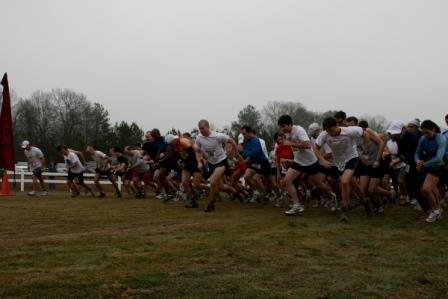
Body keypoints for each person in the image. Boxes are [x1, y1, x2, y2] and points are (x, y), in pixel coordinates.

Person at [277, 115, 336, 216]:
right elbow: (292, 147)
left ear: (290, 124)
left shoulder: (299, 130)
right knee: (287, 180)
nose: (282, 129)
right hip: (298, 162)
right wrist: (290, 159)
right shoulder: (286, 133)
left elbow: (307, 145)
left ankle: (332, 195)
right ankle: (297, 205)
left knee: (319, 184)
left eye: (283, 126)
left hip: (310, 162)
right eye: (280, 127)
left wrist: (291, 144)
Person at [315, 117, 372, 221]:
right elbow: (316, 148)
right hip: (339, 162)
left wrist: (365, 148)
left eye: (331, 130)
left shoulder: (349, 131)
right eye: (327, 131)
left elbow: (366, 134)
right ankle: (365, 201)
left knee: (344, 181)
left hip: (352, 158)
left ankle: (344, 209)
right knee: (353, 184)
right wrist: (322, 160)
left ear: (336, 126)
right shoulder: (324, 135)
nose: (330, 133)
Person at [195, 119, 242, 212]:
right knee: (220, 186)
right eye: (200, 129)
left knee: (212, 182)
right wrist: (199, 162)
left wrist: (237, 153)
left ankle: (211, 204)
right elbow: (197, 151)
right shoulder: (199, 138)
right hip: (211, 163)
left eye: (203, 128)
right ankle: (236, 192)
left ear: (208, 127)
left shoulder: (217, 136)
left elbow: (232, 141)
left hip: (221, 161)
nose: (201, 131)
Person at [240, 126, 283, 206]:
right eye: (242, 134)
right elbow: (247, 153)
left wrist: (243, 151)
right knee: (246, 177)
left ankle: (279, 196)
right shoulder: (246, 140)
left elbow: (255, 153)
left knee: (270, 182)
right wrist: (245, 155)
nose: (243, 136)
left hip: (263, 162)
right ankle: (260, 193)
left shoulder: (255, 140)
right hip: (254, 163)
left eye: (244, 134)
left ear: (250, 132)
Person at [415, 120, 448, 223]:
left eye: (427, 132)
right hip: (435, 167)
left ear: (433, 129)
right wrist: (418, 161)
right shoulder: (423, 138)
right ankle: (436, 211)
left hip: (445, 166)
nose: (425, 135)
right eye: (423, 132)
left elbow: (439, 157)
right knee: (426, 189)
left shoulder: (441, 138)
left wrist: (423, 164)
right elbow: (417, 152)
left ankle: (438, 208)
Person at [165, 134, 204, 208]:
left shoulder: (183, 142)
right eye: (169, 144)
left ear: (174, 140)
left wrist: (199, 162)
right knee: (185, 183)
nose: (170, 145)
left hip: (195, 162)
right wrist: (180, 161)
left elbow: (194, 152)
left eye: (170, 143)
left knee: (196, 185)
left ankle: (210, 188)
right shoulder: (173, 146)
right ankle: (193, 201)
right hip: (188, 164)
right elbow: (180, 156)